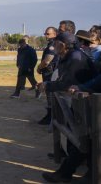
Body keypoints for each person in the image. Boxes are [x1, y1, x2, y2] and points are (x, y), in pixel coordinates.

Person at [39, 32, 96, 183]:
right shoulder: (69, 56)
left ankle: (68, 173)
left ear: (62, 45)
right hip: (83, 103)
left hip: (89, 104)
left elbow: (67, 83)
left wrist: (48, 85)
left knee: (84, 139)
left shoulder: (76, 58)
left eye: (55, 43)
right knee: (84, 139)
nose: (53, 46)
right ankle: (74, 173)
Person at [36, 26, 58, 125]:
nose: (46, 35)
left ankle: (50, 117)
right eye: (45, 33)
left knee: (50, 96)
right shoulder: (52, 43)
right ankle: (50, 116)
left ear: (54, 34)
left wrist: (39, 67)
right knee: (49, 96)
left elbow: (47, 60)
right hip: (49, 73)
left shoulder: (52, 45)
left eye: (48, 33)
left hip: (50, 73)